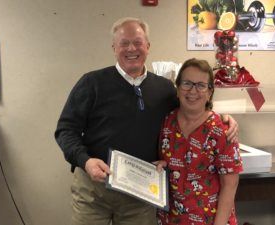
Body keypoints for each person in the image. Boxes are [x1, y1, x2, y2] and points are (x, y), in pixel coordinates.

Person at [54, 17, 238, 225]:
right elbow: (65, 130)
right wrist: (85, 161)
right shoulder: (91, 83)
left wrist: (222, 118)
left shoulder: (165, 89)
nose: (131, 48)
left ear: (148, 46)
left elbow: (191, 109)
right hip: (94, 191)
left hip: (140, 194)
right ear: (114, 47)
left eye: (138, 42)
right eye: (124, 43)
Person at [156, 58, 243, 225]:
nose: (193, 91)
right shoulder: (168, 122)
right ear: (178, 87)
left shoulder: (222, 130)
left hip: (210, 220)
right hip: (171, 219)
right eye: (187, 83)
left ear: (210, 92)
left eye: (201, 85)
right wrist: (162, 165)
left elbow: (230, 186)